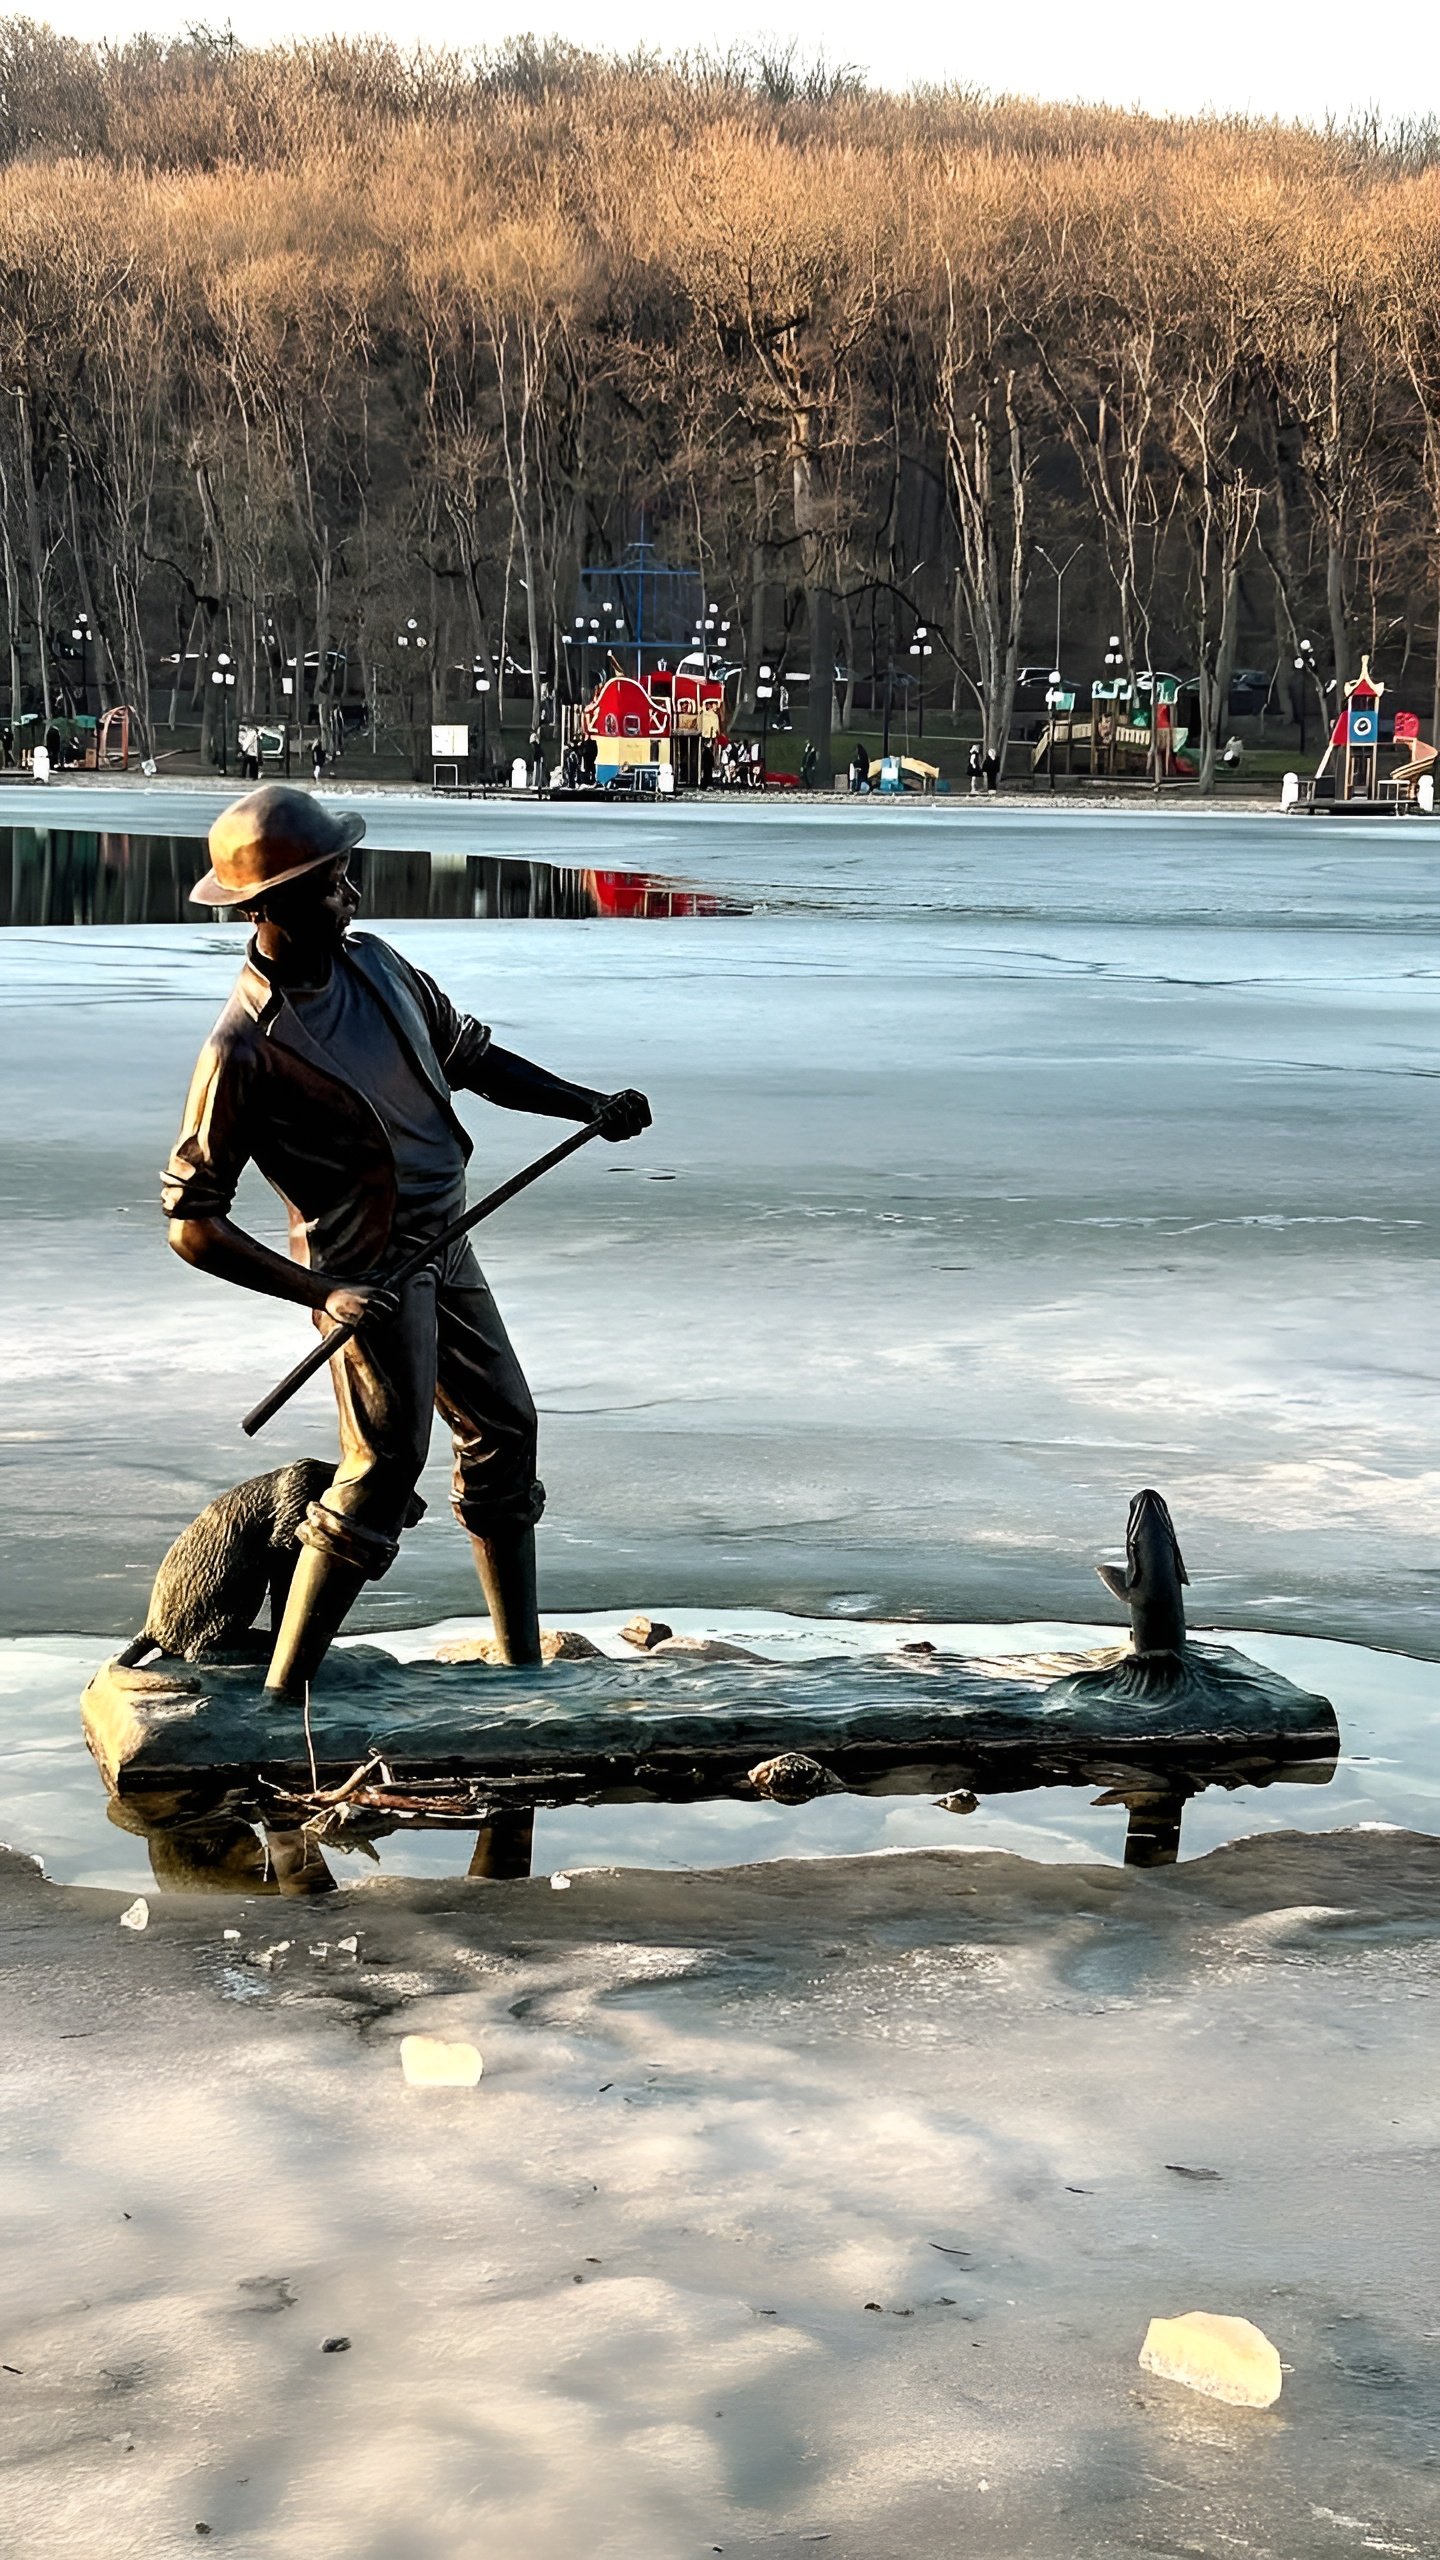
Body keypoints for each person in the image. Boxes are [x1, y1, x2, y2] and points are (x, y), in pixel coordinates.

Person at [162, 786, 652, 1696]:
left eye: (347, 878)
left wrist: (585, 1102)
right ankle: (283, 1694)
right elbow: (192, 1222)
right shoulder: (242, 1051)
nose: (353, 899)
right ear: (268, 904)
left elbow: (472, 1058)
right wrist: (323, 1294)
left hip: (448, 1243)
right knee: (382, 1468)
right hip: (368, 1273)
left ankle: (520, 1668)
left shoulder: (379, 965)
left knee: (506, 1429)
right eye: (332, 885)